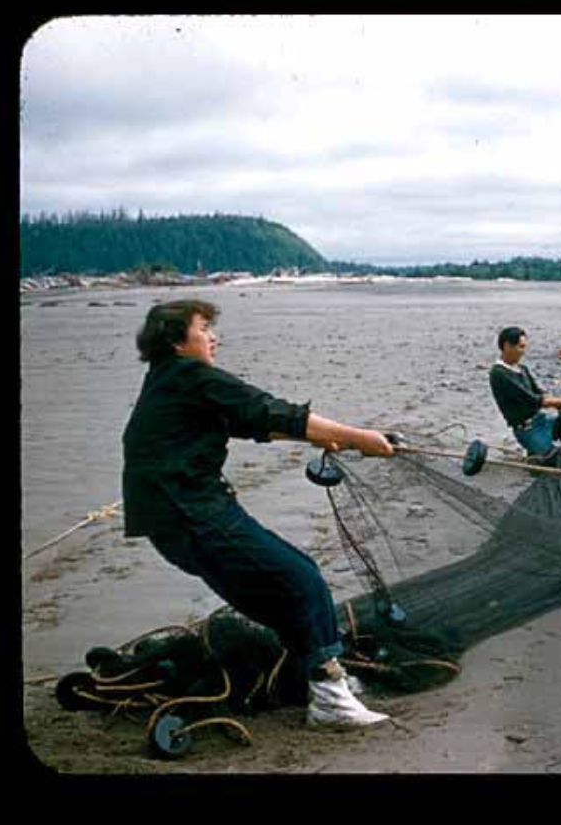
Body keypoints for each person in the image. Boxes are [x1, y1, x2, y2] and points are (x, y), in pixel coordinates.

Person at [122, 299, 393, 729]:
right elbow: (268, 409)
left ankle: (325, 678)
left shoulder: (166, 381)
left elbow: (255, 423)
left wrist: (336, 439)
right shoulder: (190, 376)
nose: (214, 337)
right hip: (192, 513)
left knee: (276, 596)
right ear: (176, 341)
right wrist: (360, 437)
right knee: (301, 579)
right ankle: (330, 701)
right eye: (203, 328)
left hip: (173, 520)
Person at [489, 326, 561, 459]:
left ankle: (540, 452)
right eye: (520, 347)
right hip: (527, 430)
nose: (523, 352)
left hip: (542, 421)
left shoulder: (522, 369)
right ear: (507, 346)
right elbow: (533, 399)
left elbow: (539, 393)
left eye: (524, 347)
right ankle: (537, 453)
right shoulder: (499, 373)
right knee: (553, 458)